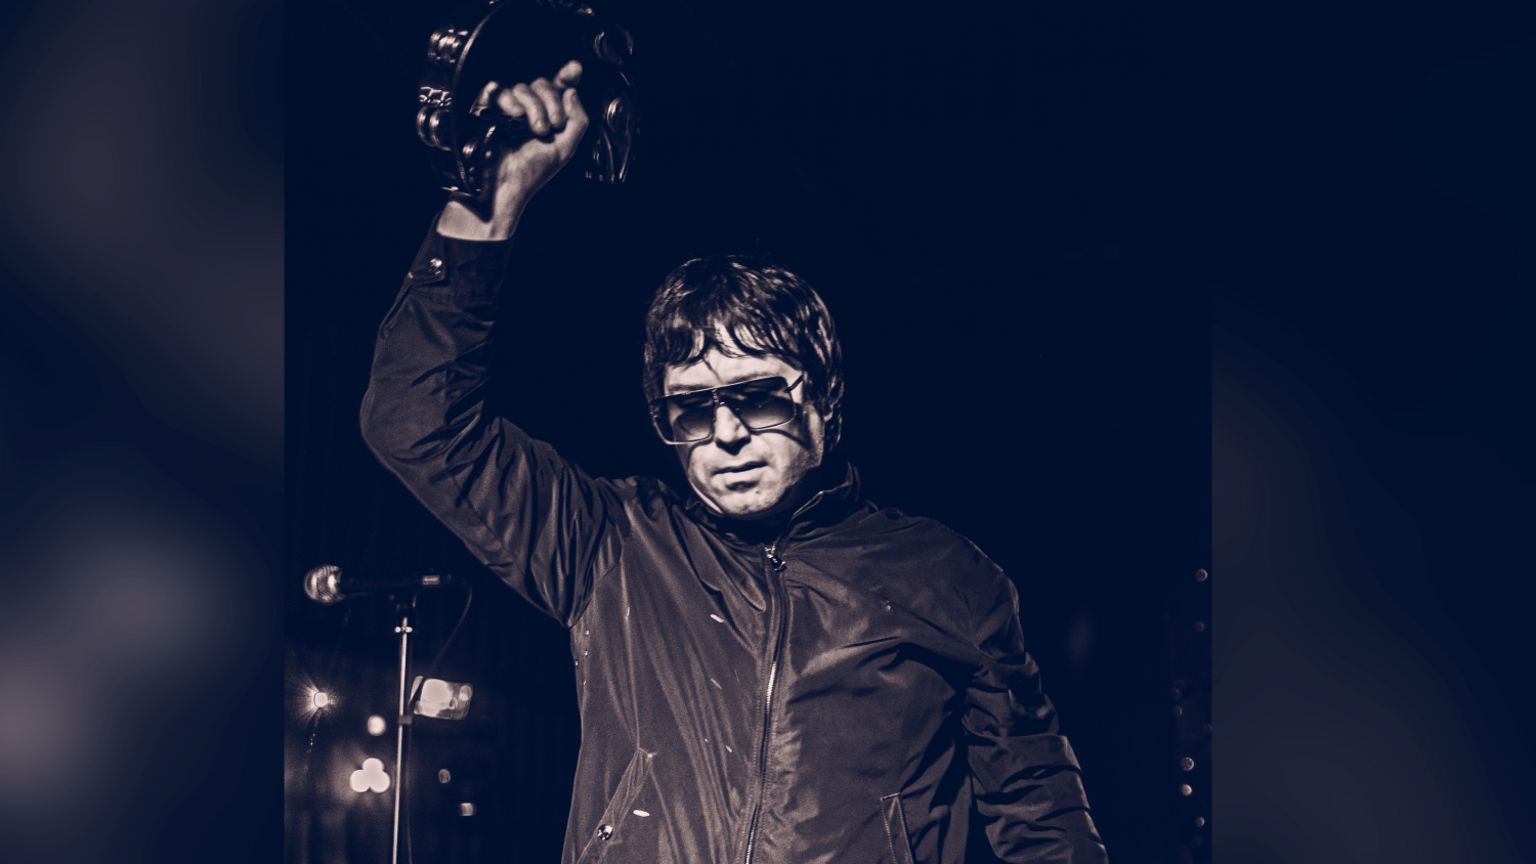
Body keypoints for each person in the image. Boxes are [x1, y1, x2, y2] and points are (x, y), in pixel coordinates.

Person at [361, 59, 1107, 864]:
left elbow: (1042, 815)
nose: (726, 434)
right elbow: (414, 421)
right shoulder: (613, 546)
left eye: (756, 397)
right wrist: (489, 205)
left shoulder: (949, 577)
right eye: (691, 407)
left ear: (822, 399)